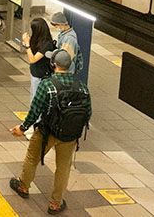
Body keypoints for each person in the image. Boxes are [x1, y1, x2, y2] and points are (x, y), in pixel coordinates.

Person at [9, 49, 92, 215]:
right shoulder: (82, 87)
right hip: (69, 135)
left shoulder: (47, 84)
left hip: (47, 132)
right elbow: (88, 113)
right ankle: (55, 204)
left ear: (53, 64)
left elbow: (34, 111)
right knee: (63, 168)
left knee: (32, 158)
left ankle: (23, 186)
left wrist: (22, 128)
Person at [22, 18, 56, 99]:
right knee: (33, 95)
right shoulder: (38, 40)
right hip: (35, 72)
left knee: (35, 98)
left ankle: (34, 111)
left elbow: (32, 59)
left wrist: (27, 45)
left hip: (40, 75)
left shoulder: (46, 44)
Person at [50, 12, 83, 77]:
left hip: (66, 71)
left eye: (56, 25)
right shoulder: (65, 34)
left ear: (62, 24)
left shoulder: (69, 39)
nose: (56, 27)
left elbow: (65, 59)